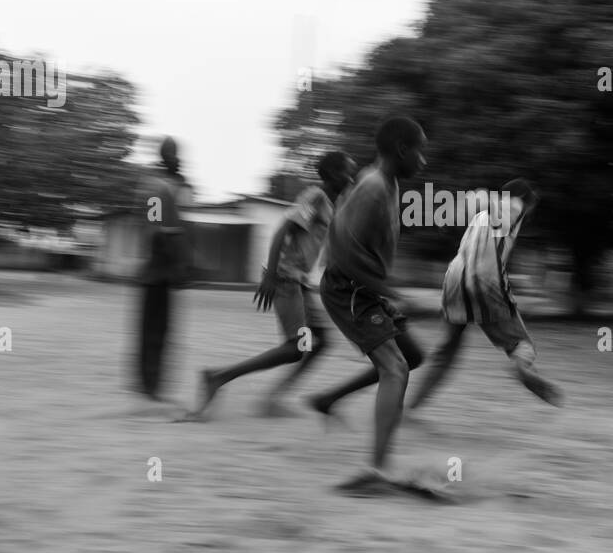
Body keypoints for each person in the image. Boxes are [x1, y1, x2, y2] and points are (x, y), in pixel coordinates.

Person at [191, 151, 357, 420]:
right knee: (295, 348)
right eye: (348, 172)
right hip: (286, 278)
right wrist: (270, 274)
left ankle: (273, 398)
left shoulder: (330, 203)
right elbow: (283, 229)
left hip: (300, 283)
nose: (351, 178)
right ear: (332, 175)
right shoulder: (314, 197)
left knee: (322, 341)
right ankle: (218, 377)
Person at [310, 117, 428, 491]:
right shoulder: (374, 186)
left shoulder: (385, 183)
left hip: (364, 288)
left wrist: (386, 291)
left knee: (411, 355)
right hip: (348, 289)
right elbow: (342, 250)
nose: (423, 161)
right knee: (396, 369)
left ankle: (328, 398)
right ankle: (376, 472)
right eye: (419, 151)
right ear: (401, 150)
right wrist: (390, 292)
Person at [407, 179, 563, 412]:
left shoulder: (481, 215)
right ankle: (521, 368)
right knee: (521, 344)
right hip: (485, 280)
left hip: (454, 278)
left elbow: (475, 204)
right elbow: (501, 204)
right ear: (523, 199)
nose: (531, 211)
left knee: (446, 351)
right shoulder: (514, 205)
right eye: (532, 204)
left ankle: (410, 407)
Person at [137, 137, 193, 400]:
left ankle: (152, 387)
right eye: (173, 153)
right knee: (153, 333)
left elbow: (173, 229)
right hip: (156, 273)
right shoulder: (154, 188)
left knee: (161, 332)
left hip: (163, 273)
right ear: (164, 156)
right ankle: (149, 390)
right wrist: (175, 264)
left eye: (178, 153)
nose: (178, 158)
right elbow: (156, 232)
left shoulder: (168, 188)